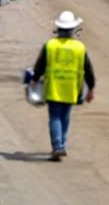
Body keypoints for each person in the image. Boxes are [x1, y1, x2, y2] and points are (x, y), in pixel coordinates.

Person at [30, 11, 96, 161]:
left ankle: (58, 146)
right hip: (71, 88)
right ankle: (62, 146)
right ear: (72, 30)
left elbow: (40, 64)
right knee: (65, 117)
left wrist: (34, 80)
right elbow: (88, 69)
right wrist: (90, 89)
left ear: (58, 29)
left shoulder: (50, 45)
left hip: (54, 87)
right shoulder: (80, 47)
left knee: (55, 117)